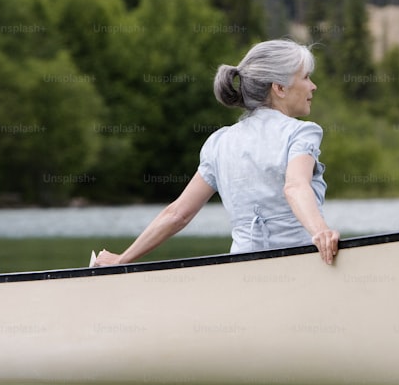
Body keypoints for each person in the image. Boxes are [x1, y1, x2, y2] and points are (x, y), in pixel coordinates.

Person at [92, 38, 339, 266]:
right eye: (306, 77)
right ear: (280, 88)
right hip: (300, 264)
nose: (313, 86)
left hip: (242, 269)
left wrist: (122, 259)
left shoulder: (219, 142)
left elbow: (178, 213)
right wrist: (321, 232)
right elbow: (295, 186)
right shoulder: (301, 132)